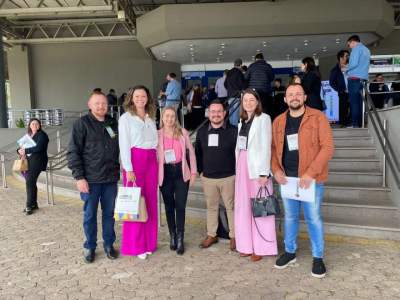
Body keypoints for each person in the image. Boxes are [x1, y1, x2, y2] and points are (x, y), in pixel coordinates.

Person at [271, 83, 334, 278]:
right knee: (290, 217)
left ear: (305, 97)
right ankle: (290, 252)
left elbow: (328, 147)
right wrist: (275, 170)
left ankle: (318, 257)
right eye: (290, 94)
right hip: (287, 180)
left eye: (298, 93)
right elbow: (273, 149)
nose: (294, 97)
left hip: (311, 180)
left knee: (313, 218)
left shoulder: (318, 117)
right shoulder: (279, 121)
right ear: (285, 99)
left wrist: (310, 173)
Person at [67, 91, 120, 263]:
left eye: (104, 103)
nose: (101, 106)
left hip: (110, 179)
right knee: (89, 215)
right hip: (90, 180)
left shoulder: (113, 123)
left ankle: (108, 244)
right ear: (90, 105)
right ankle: (90, 246)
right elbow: (73, 152)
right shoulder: (81, 124)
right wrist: (79, 177)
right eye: (97, 103)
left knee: (109, 214)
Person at [234, 89, 277, 262]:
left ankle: (262, 246)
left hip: (257, 168)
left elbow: (267, 145)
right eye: (245, 100)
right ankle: (246, 245)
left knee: (261, 207)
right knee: (243, 206)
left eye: (252, 100)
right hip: (242, 166)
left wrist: (264, 172)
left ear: (257, 102)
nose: (248, 103)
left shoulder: (264, 118)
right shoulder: (242, 121)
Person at [118, 85, 158, 260]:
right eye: (137, 96)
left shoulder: (150, 118)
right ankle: (136, 245)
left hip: (151, 160)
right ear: (131, 98)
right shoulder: (126, 118)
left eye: (143, 96)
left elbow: (155, 142)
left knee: (149, 202)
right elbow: (124, 144)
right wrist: (128, 168)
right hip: (135, 160)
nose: (140, 99)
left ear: (147, 98)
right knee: (134, 204)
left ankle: (149, 243)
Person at [195, 100, 237, 251]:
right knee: (211, 207)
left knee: (231, 207)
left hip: (229, 177)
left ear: (224, 113)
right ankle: (212, 234)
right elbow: (197, 153)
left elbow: (238, 154)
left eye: (219, 111)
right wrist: (200, 170)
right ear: (208, 113)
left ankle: (234, 236)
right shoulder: (202, 132)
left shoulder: (233, 131)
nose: (216, 114)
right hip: (209, 178)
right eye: (213, 112)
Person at [158, 107, 197, 255]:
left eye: (172, 116)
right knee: (169, 206)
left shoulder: (183, 133)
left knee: (180, 206)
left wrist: (193, 172)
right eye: (167, 116)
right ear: (162, 118)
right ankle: (172, 235)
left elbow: (191, 154)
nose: (169, 119)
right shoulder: (157, 135)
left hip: (181, 173)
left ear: (176, 118)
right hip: (165, 173)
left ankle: (180, 237)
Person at [17, 118, 49, 215]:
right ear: (29, 125)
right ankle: (34, 204)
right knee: (31, 182)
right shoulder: (29, 135)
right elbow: (21, 146)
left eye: (36, 124)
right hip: (29, 161)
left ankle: (29, 205)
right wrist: (19, 150)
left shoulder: (42, 135)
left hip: (38, 162)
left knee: (30, 182)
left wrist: (25, 151)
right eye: (32, 124)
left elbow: (39, 148)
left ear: (39, 125)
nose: (34, 125)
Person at [346, 35, 371, 128]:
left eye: (349, 45)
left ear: (353, 42)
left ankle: (355, 124)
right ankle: (360, 124)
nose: (350, 47)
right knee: (360, 103)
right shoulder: (367, 50)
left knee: (354, 102)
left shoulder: (356, 49)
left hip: (354, 79)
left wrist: (346, 69)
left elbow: (354, 63)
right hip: (363, 79)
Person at [245, 53, 275, 117]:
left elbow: (246, 77)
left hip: (254, 91)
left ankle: (253, 122)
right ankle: (264, 123)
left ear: (255, 59)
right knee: (264, 108)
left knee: (254, 107)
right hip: (265, 91)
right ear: (263, 58)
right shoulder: (268, 66)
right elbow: (272, 77)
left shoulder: (252, 66)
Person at [329, 50, 350, 127]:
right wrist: (340, 89)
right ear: (341, 58)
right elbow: (332, 82)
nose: (348, 57)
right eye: (346, 56)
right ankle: (343, 124)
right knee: (343, 109)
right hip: (342, 93)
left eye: (348, 55)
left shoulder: (352, 67)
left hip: (353, 91)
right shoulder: (335, 70)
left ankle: (352, 123)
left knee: (353, 108)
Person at [225, 58, 246, 126]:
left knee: (231, 112)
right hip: (236, 95)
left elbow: (225, 84)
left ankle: (231, 127)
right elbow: (241, 84)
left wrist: (229, 90)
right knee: (236, 112)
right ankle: (234, 128)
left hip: (230, 96)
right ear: (240, 65)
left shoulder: (229, 72)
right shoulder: (239, 72)